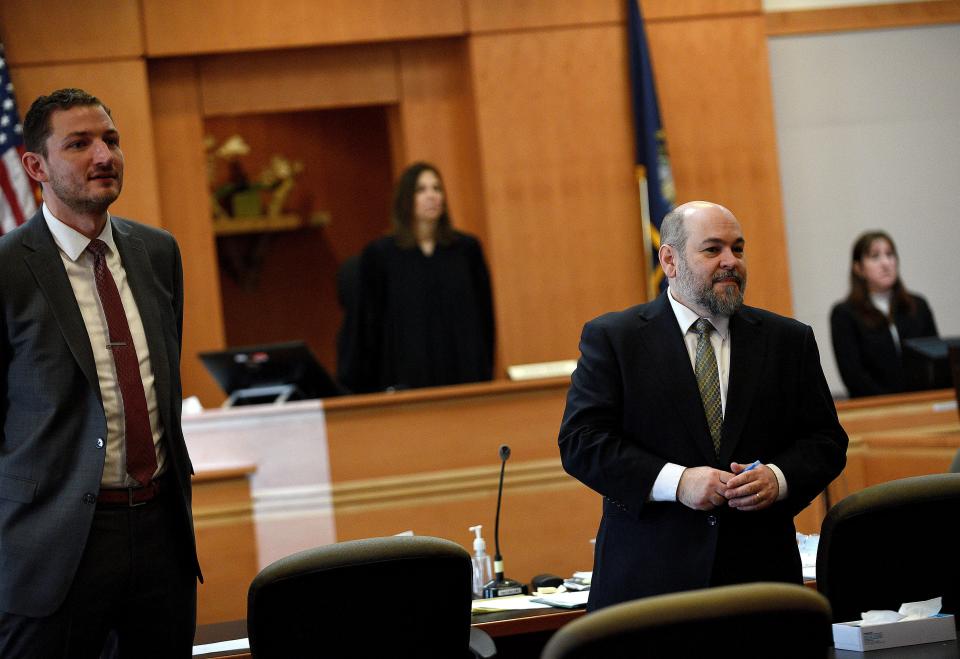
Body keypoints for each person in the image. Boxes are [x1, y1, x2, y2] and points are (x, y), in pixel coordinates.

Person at [558, 201, 847, 611]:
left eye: (738, 249)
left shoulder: (787, 341)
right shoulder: (615, 339)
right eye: (713, 250)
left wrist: (778, 478)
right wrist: (677, 482)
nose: (731, 262)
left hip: (760, 586)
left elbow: (825, 441)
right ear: (670, 260)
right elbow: (582, 443)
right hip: (648, 590)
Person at [0, 88, 200, 657]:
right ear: (35, 166)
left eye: (110, 140)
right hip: (52, 546)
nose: (103, 156)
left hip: (161, 533)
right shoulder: (7, 270)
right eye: (80, 144)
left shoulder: (158, 252)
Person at [340, 162, 495, 393]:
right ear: (405, 198)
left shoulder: (466, 249)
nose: (432, 196)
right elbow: (367, 327)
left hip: (462, 376)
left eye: (437, 189)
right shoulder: (381, 255)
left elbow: (485, 319)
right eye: (421, 190)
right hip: (404, 378)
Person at [830, 231, 938, 398]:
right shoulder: (845, 314)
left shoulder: (917, 306)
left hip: (922, 402)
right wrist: (893, 404)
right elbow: (854, 376)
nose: (886, 263)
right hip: (875, 408)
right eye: (875, 256)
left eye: (890, 254)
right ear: (858, 268)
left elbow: (935, 360)